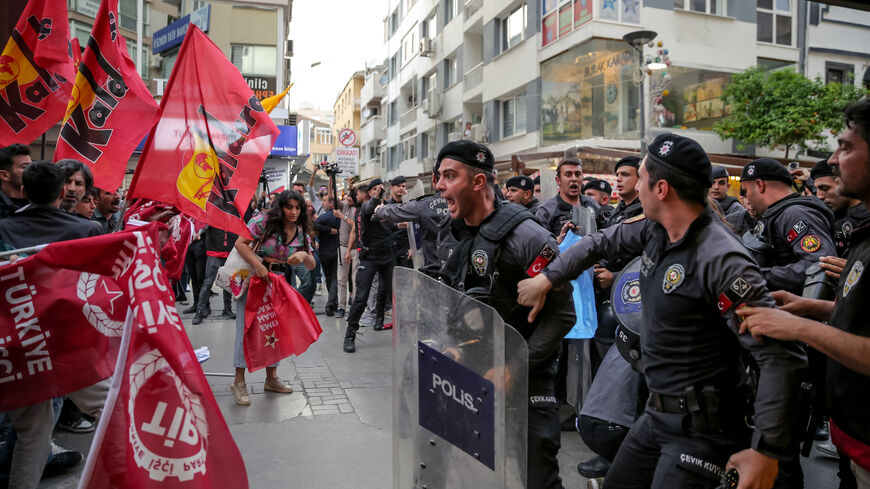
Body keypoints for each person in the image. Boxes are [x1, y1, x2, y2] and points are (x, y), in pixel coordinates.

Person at [517, 133, 807, 489]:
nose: (635, 186)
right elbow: (599, 243)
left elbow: (781, 356)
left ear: (662, 189)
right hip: (656, 415)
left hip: (703, 431)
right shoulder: (656, 229)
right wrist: (546, 279)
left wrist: (767, 449)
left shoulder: (723, 260)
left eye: (640, 177)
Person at [739, 99, 870, 489]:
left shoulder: (794, 214)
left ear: (760, 185)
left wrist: (793, 321)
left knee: (780, 450)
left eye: (845, 147)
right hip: (855, 433)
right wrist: (810, 307)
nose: (831, 159)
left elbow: (815, 264)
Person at [432, 139, 576, 489]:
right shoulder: (452, 235)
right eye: (439, 176)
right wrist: (450, 346)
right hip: (469, 378)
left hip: (525, 382)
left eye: (449, 176)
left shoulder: (528, 236)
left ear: (478, 182)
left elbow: (563, 315)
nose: (439, 186)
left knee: (536, 478)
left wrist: (514, 368)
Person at [0, 162, 103, 488]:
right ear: (61, 191)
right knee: (115, 405)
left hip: (21, 346)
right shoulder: (86, 232)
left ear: (24, 191)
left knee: (31, 437)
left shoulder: (3, 229)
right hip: (70, 347)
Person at [229, 190, 315, 406]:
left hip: (278, 283)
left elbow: (312, 264)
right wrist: (258, 265)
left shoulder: (302, 231)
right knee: (245, 329)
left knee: (274, 329)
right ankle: (239, 382)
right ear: (281, 207)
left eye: (297, 208)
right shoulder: (264, 221)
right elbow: (240, 244)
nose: (294, 212)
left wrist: (304, 255)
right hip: (254, 280)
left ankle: (271, 378)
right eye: (289, 207)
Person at [740, 158, 836, 294]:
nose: (747, 197)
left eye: (745, 191)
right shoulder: (776, 214)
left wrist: (757, 276)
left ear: (759, 185)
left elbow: (818, 265)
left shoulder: (794, 214)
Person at [343, 179, 395, 352]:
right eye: (374, 190)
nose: (378, 192)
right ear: (368, 193)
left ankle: (405, 334)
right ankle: (350, 335)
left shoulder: (388, 207)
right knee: (361, 297)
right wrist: (376, 198)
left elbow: (398, 220)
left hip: (388, 257)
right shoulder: (363, 209)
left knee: (397, 296)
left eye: (379, 190)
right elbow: (369, 208)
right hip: (370, 258)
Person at [375, 173, 448, 274]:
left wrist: (379, 211)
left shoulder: (423, 205)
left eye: (403, 186)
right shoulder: (463, 203)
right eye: (398, 186)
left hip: (434, 268)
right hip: (457, 272)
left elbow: (395, 212)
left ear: (434, 178)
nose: (401, 188)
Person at [811, 158, 870, 257]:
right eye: (816, 189)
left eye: (824, 188)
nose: (819, 196)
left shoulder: (866, 219)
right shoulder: (834, 214)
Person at [536, 157, 600, 244]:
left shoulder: (592, 204)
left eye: (577, 174)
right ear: (558, 180)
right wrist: (555, 242)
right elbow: (539, 245)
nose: (574, 179)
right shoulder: (546, 210)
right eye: (568, 175)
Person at [192, 223, 246, 325]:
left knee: (228, 282)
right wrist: (198, 232)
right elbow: (204, 226)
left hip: (228, 252)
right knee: (208, 283)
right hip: (215, 252)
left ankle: (227, 308)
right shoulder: (214, 212)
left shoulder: (233, 212)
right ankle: (200, 311)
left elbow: (240, 228)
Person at [333, 184, 360, 318]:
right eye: (347, 195)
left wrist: (342, 217)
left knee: (355, 281)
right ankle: (341, 306)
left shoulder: (359, 209)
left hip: (357, 249)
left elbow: (355, 225)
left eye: (350, 196)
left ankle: (354, 307)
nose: (348, 198)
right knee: (341, 279)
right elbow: (333, 196)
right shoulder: (345, 206)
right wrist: (331, 177)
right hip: (343, 247)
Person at [315, 195, 341, 315]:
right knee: (335, 277)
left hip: (325, 251)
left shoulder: (325, 216)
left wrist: (326, 230)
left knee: (330, 278)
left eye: (324, 201)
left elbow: (315, 225)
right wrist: (332, 231)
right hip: (336, 250)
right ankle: (332, 303)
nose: (322, 203)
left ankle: (331, 303)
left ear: (331, 203)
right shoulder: (340, 217)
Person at [0, 143, 31, 219]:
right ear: (4, 175)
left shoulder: (41, 204)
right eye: (25, 167)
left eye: (32, 166)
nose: (33, 170)